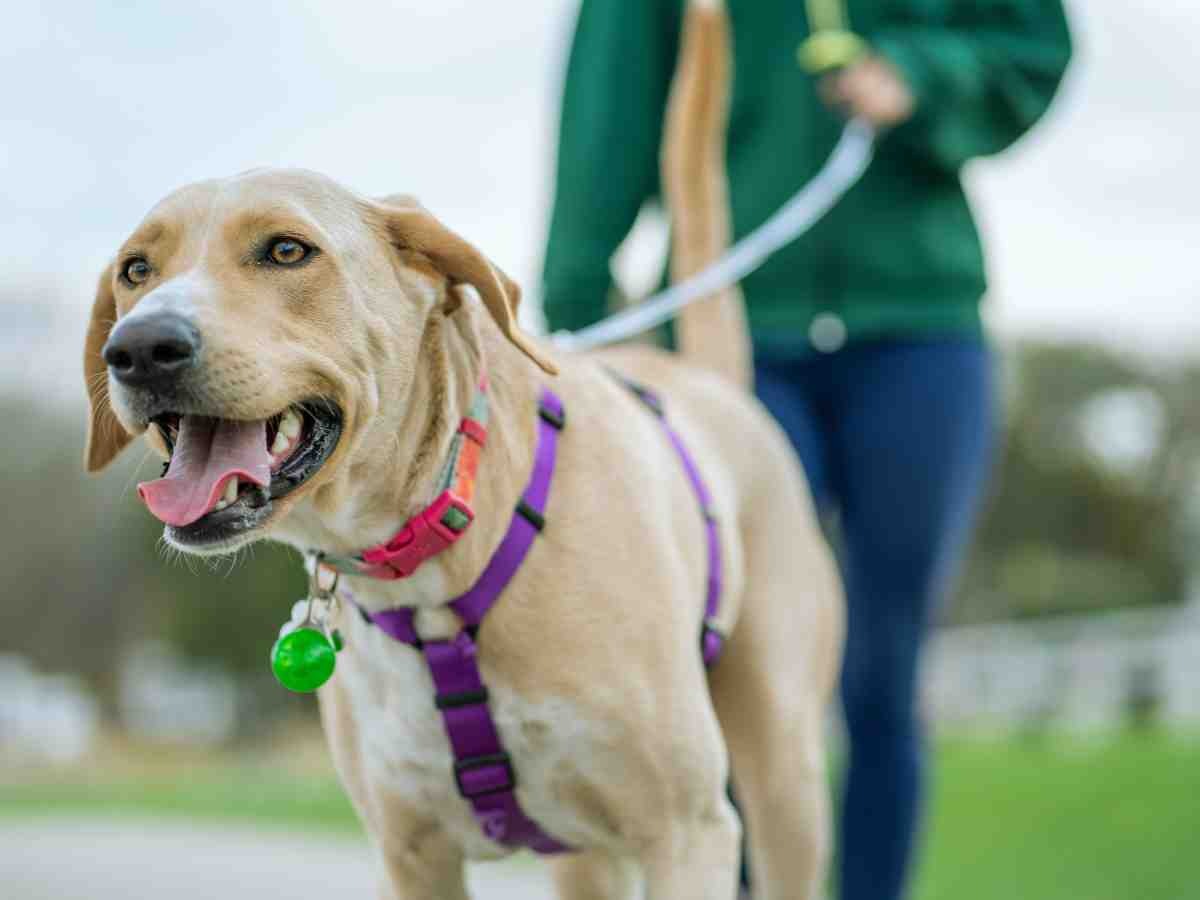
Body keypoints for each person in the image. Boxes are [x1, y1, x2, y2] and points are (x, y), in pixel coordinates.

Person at [540, 2, 1072, 898]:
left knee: (883, 672)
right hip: (724, 326)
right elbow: (606, 116)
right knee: (727, 665)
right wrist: (579, 320)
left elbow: (1033, 46)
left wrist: (922, 73)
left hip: (919, 334)